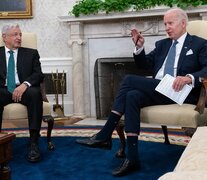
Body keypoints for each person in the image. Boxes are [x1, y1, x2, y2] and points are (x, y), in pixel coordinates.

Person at [76, 8, 207, 176]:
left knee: (129, 80)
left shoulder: (199, 44)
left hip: (182, 91)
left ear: (183, 23)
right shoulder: (163, 44)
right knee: (132, 96)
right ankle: (132, 158)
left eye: (170, 23)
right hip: (160, 88)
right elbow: (144, 65)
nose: (167, 27)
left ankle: (105, 133)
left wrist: (188, 77)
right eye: (165, 23)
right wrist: (139, 48)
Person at [0, 23, 44, 162]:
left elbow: (38, 75)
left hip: (25, 89)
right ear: (4, 37)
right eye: (15, 35)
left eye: (20, 34)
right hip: (3, 89)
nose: (19, 38)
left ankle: (33, 142)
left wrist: (25, 84)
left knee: (35, 93)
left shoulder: (31, 53)